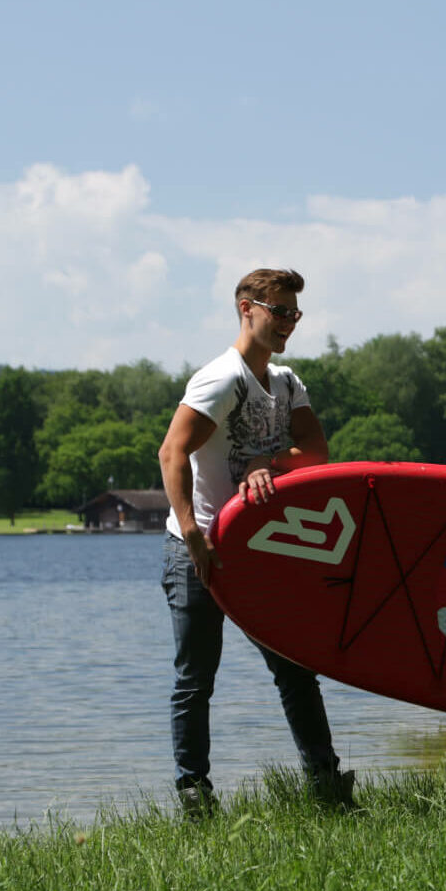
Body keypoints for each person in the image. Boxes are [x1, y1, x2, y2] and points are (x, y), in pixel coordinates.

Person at [157, 267, 356, 816]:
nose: (289, 322)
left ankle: (328, 786)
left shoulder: (287, 382)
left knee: (294, 668)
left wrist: (268, 460)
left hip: (260, 549)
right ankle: (195, 797)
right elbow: (171, 453)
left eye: (295, 313)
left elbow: (316, 452)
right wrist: (194, 534)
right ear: (248, 308)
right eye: (280, 311)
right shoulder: (223, 380)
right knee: (196, 680)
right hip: (200, 550)